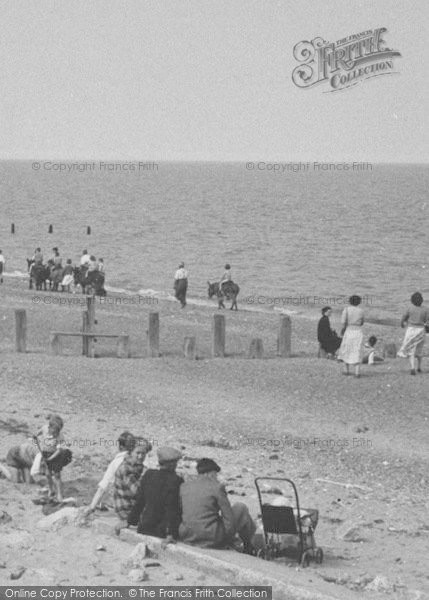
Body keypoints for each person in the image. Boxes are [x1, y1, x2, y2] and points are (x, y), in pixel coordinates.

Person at [179, 458, 256, 553]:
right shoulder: (217, 487)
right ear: (211, 473)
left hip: (187, 535)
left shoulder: (185, 486)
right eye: (216, 474)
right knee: (241, 507)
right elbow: (228, 518)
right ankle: (248, 546)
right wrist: (228, 538)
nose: (216, 477)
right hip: (209, 537)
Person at [126, 447, 183, 540]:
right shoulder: (176, 480)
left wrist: (129, 521)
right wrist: (171, 533)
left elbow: (140, 502)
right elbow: (172, 508)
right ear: (172, 464)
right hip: (162, 531)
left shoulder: (149, 475)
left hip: (145, 527)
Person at [86, 432, 136, 513]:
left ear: (120, 446)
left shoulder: (116, 462)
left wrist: (92, 506)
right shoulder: (139, 462)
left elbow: (102, 487)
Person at [113, 437, 152, 530]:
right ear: (130, 452)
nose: (141, 456)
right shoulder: (125, 469)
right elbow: (138, 491)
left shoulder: (138, 466)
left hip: (133, 506)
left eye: (143, 454)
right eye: (138, 453)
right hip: (126, 510)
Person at [33, 414, 72, 502]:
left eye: (57, 433)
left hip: (56, 455)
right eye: (54, 432)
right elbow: (38, 432)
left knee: (57, 475)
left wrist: (50, 459)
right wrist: (35, 436)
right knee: (47, 474)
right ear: (49, 427)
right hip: (45, 454)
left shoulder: (60, 436)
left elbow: (59, 450)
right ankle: (51, 489)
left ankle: (59, 494)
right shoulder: (45, 428)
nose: (55, 435)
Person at [397, 292, 429, 375]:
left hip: (411, 330)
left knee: (411, 350)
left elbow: (404, 318)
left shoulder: (410, 308)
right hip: (421, 331)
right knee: (419, 350)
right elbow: (426, 321)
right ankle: (419, 367)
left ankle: (412, 368)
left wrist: (402, 324)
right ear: (421, 300)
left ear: (412, 300)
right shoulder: (425, 309)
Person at [337, 295, 364, 377]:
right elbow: (362, 322)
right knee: (357, 350)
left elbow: (343, 322)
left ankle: (346, 370)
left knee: (346, 349)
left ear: (350, 301)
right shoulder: (361, 311)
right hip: (358, 331)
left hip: (349, 330)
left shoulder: (346, 310)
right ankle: (357, 371)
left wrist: (342, 330)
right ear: (359, 302)